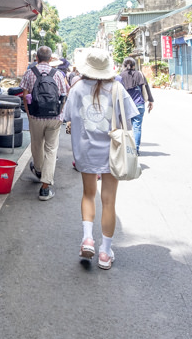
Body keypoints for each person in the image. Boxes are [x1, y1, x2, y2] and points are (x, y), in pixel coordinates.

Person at [63, 48, 138, 270]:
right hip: (112, 153)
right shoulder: (117, 88)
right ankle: (105, 253)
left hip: (85, 150)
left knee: (88, 194)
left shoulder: (76, 89)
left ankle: (88, 239)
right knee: (109, 201)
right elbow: (129, 122)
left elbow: (67, 117)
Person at [20, 45, 69, 201]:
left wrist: (29, 114)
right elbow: (64, 95)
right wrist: (60, 114)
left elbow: (25, 95)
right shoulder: (59, 74)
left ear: (36, 58)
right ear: (51, 59)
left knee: (36, 145)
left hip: (35, 117)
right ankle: (45, 188)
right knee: (51, 150)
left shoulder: (30, 73)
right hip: (54, 118)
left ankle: (40, 170)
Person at [119, 57, 154, 155]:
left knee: (126, 128)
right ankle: (136, 150)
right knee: (137, 127)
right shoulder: (140, 74)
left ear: (124, 65)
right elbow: (146, 88)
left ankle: (127, 149)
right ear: (134, 65)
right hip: (139, 104)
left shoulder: (120, 76)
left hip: (125, 106)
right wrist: (150, 101)